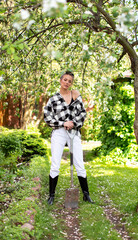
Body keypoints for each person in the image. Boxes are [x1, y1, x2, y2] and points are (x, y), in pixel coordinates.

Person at [44, 71, 93, 205]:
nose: (67, 82)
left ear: (72, 83)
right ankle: (51, 196)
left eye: (69, 81)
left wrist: (73, 123)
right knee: (55, 164)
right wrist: (62, 123)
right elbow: (47, 117)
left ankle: (86, 195)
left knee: (79, 163)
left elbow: (82, 113)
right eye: (65, 80)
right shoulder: (53, 99)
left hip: (74, 132)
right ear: (60, 81)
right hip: (59, 132)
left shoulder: (76, 96)